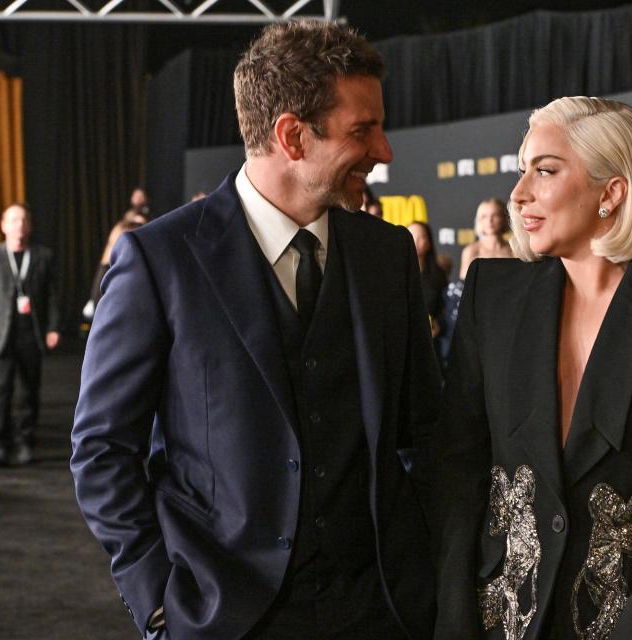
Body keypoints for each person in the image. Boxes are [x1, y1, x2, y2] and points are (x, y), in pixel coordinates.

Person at [70, 21, 441, 640]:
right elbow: (102, 449)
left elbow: (425, 429)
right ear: (292, 136)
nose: (385, 152)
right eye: (363, 130)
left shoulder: (388, 253)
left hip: (381, 612)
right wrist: (158, 599)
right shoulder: (159, 261)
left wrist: (426, 567)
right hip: (222, 616)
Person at [432, 97, 632, 640]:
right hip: (500, 618)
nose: (519, 193)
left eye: (545, 170)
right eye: (521, 170)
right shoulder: (493, 294)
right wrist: (454, 615)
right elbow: (459, 467)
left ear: (612, 192)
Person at [0, 204, 61, 467]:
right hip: (2, 335)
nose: (19, 224)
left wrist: (54, 327)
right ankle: (1, 444)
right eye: (13, 219)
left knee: (30, 391)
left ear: (29, 225)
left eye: (23, 219)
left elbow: (52, 295)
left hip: (31, 333)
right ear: (3, 225)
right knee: (1, 391)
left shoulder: (43, 256)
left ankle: (26, 442)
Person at [408, 221, 448, 358]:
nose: (416, 241)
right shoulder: (394, 274)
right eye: (411, 236)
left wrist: (438, 324)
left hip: (432, 343)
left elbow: (446, 308)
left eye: (421, 237)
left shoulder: (438, 274)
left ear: (429, 242)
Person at [459, 198, 513, 279]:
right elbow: (464, 284)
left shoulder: (514, 250)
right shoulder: (471, 251)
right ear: (479, 220)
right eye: (484, 216)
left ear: (504, 218)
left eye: (495, 215)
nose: (489, 220)